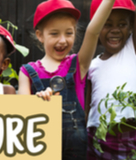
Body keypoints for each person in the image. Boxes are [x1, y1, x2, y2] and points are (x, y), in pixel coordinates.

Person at [17, 0, 115, 159]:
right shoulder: (27, 72)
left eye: (69, 33)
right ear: (40, 35)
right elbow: (22, 112)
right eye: (54, 33)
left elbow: (93, 31)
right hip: (40, 150)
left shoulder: (79, 65)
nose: (62, 40)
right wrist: (36, 103)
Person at [85, 0, 136, 159]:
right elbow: (87, 108)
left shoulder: (132, 50)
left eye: (122, 24)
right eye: (107, 24)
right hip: (96, 141)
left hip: (130, 136)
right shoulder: (91, 65)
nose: (115, 30)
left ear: (131, 27)